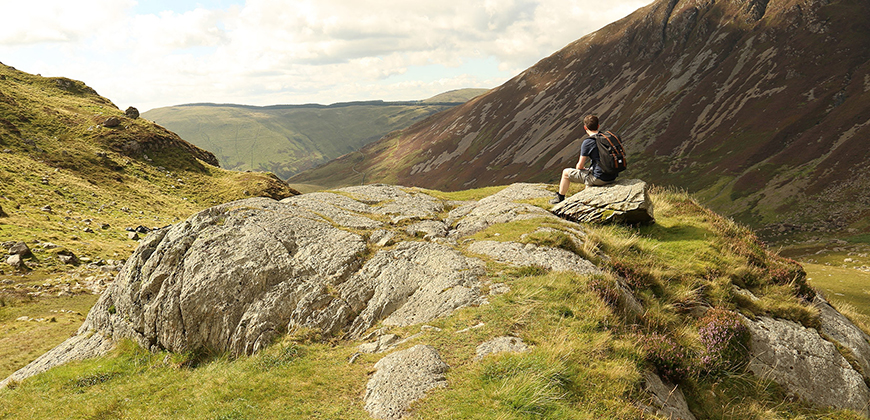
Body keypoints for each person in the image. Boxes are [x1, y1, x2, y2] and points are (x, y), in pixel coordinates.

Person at [550, 114, 617, 204]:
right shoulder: (606, 138)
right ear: (598, 126)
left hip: (600, 178)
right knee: (590, 174)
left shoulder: (588, 142)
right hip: (612, 176)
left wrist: (581, 168)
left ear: (585, 128)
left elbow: (580, 166)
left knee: (566, 173)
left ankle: (560, 198)